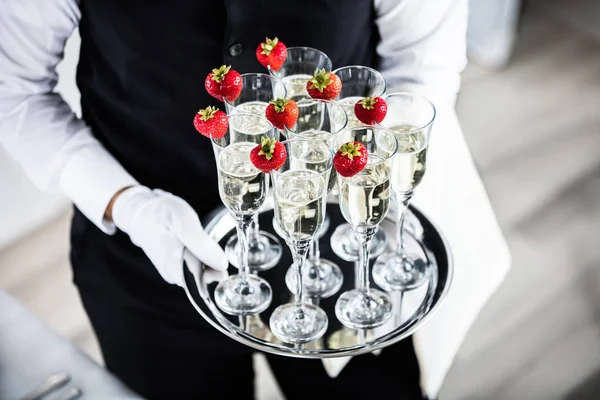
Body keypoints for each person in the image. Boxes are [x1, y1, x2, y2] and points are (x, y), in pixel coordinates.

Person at [0, 0, 511, 399]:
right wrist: (128, 204)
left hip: (344, 253)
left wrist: (378, 195)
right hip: (144, 267)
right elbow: (14, 89)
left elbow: (421, 63)